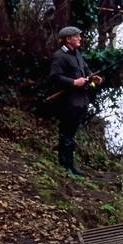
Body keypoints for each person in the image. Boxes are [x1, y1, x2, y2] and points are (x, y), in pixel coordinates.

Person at [45, 25, 101, 177]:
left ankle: (67, 164)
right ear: (68, 39)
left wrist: (93, 78)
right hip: (67, 102)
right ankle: (67, 167)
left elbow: (86, 69)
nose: (80, 38)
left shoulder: (77, 53)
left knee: (70, 134)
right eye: (77, 36)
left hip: (81, 101)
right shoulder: (59, 56)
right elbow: (55, 77)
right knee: (66, 134)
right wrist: (73, 82)